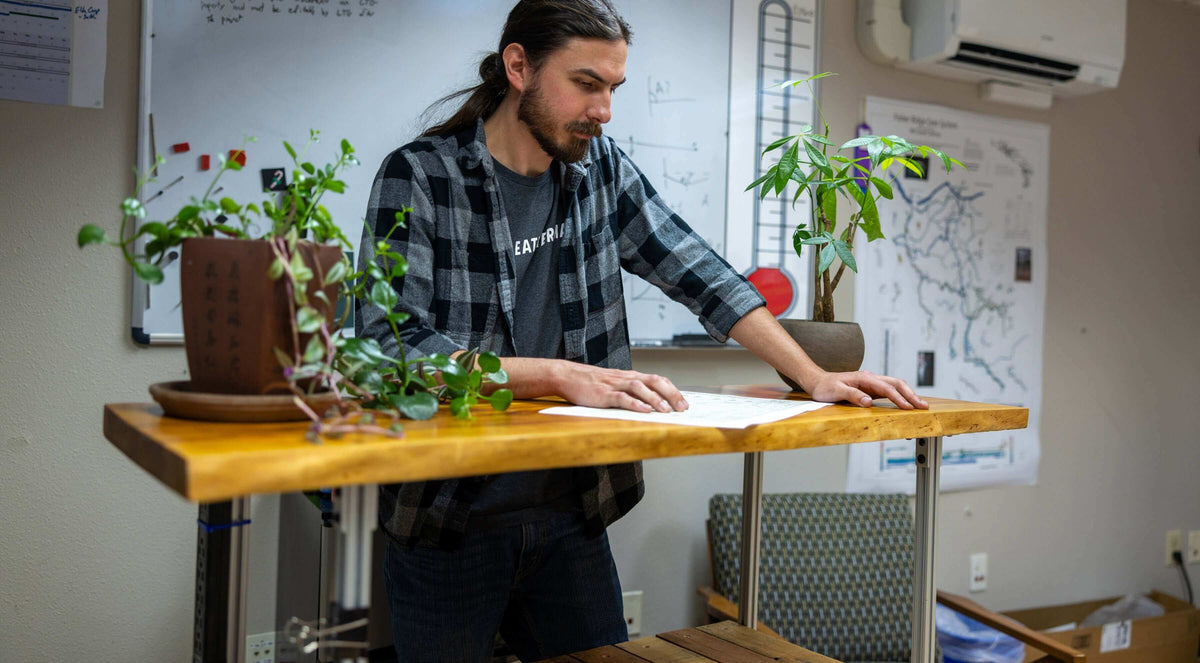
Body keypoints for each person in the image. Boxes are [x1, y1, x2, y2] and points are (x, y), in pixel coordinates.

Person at [356, 1, 926, 660]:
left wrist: (812, 373)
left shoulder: (599, 168)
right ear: (518, 66)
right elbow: (382, 347)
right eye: (586, 83)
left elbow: (696, 270)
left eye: (613, 89)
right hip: (448, 515)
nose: (603, 110)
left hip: (571, 509)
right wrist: (559, 374)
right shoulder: (421, 176)